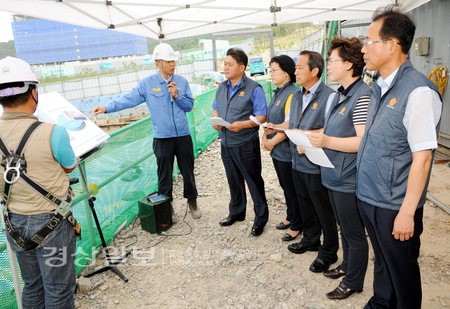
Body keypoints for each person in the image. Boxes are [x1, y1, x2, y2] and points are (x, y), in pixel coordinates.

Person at [356, 7, 442, 309]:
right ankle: (381, 302)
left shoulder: (418, 92)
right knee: (383, 261)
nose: (363, 48)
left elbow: (423, 158)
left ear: (392, 45)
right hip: (371, 195)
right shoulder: (379, 87)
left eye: (369, 41)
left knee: (402, 270)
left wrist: (407, 212)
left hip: (394, 204)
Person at [0, 56, 78, 308]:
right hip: (52, 223)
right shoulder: (53, 132)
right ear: (33, 92)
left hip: (14, 221)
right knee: (59, 290)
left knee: (33, 285)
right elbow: (69, 165)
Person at [93, 42, 201, 219]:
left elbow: (189, 106)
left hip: (183, 136)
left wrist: (177, 95)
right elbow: (128, 99)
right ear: (158, 63)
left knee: (188, 172)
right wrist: (107, 107)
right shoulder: (147, 84)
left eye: (173, 61)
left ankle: (192, 201)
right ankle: (167, 207)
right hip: (162, 138)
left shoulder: (181, 82)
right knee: (164, 175)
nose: (172, 65)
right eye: (168, 61)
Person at [307, 38, 370, 299]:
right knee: (344, 226)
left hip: (348, 177)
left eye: (333, 60)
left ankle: (354, 281)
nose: (328, 65)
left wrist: (326, 141)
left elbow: (362, 141)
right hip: (333, 173)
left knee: (354, 232)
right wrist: (310, 138)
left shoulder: (362, 96)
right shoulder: (340, 95)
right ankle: (347, 265)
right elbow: (330, 130)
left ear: (349, 64)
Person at [286, 51, 339, 274]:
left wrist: (306, 138)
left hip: (317, 164)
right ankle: (311, 239)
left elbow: (331, 128)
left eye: (299, 67)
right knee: (305, 203)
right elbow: (293, 123)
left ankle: (329, 251)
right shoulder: (298, 95)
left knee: (323, 209)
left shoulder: (330, 96)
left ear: (314, 71)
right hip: (297, 161)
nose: (295, 71)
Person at [212, 47, 269, 236]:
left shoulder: (254, 88)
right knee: (233, 180)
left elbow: (261, 116)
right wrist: (216, 121)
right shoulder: (221, 87)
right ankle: (236, 212)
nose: (225, 68)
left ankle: (261, 218)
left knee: (253, 181)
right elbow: (215, 108)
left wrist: (242, 125)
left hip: (245, 143)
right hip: (226, 143)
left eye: (230, 64)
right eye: (225, 64)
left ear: (242, 67)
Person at [262, 55, 302, 241]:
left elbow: (289, 124)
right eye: (270, 69)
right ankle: (290, 216)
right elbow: (272, 120)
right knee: (285, 186)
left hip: (286, 151)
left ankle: (297, 224)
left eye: (274, 69)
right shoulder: (278, 92)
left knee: (291, 188)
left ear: (286, 73)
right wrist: (265, 135)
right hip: (277, 151)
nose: (271, 73)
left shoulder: (292, 93)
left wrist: (272, 141)